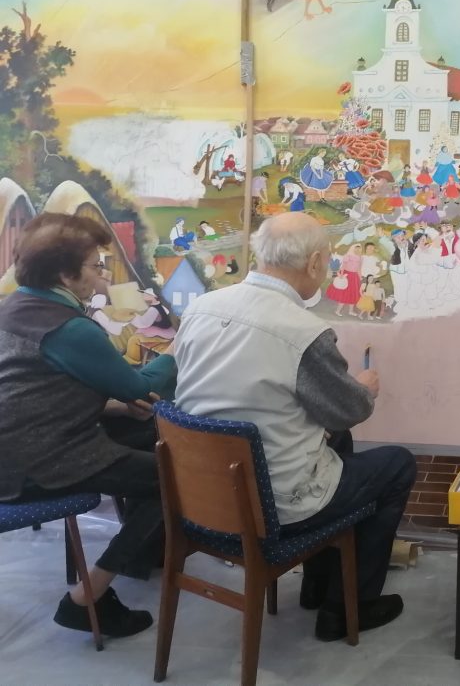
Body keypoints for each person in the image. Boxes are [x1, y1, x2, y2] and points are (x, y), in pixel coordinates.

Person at [173, 212, 416, 642]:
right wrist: (365, 388)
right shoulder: (303, 331)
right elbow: (349, 410)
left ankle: (318, 585)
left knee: (336, 440)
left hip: (201, 498)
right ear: (316, 263)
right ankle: (345, 607)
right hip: (275, 504)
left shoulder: (201, 308)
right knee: (397, 465)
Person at [0, 213, 177, 638]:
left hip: (17, 450)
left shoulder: (15, 306)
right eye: (96, 267)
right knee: (174, 475)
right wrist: (180, 350)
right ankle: (89, 597)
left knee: (150, 435)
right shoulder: (69, 329)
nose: (102, 278)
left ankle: (142, 553)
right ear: (64, 273)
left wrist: (115, 405)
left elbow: (37, 391)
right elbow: (139, 384)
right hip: (37, 464)